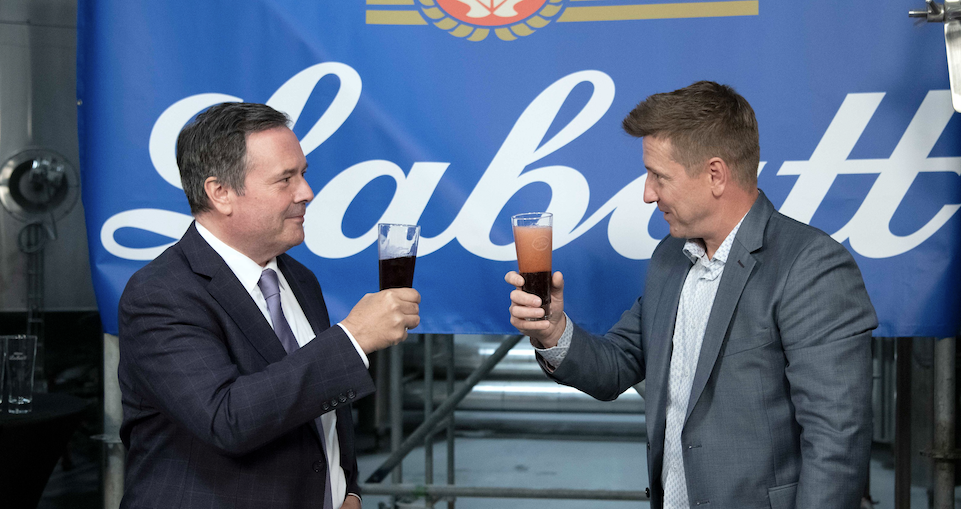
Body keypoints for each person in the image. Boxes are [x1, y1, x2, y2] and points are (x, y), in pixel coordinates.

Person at [506, 81, 877, 509]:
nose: (647, 193)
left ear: (715, 175)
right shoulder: (670, 258)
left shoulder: (812, 267)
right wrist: (555, 332)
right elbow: (619, 364)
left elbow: (837, 441)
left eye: (658, 176)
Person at [118, 102, 420, 509]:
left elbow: (320, 417)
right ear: (220, 193)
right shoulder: (161, 293)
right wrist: (353, 339)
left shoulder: (299, 280)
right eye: (285, 179)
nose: (307, 193)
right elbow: (227, 419)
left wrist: (346, 489)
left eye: (304, 174)